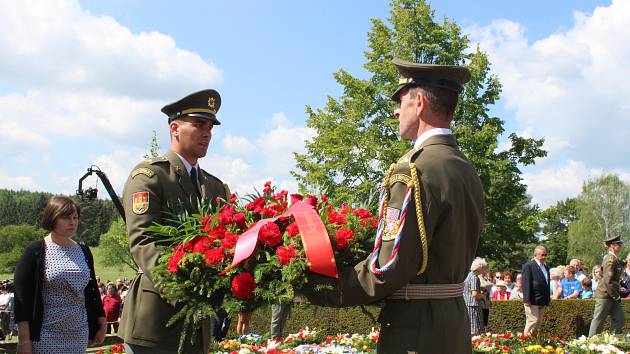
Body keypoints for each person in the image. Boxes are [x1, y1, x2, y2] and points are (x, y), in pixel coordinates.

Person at [302, 58, 485, 353]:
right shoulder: (464, 167)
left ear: (420, 102)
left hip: (415, 332)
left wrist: (315, 287)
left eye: (401, 100)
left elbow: (387, 267)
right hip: (453, 324)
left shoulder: (413, 170)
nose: (396, 111)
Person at [119, 89, 230, 354]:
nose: (207, 133)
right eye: (199, 125)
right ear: (175, 128)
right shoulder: (150, 176)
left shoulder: (214, 187)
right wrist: (185, 288)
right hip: (155, 321)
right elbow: (143, 242)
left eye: (210, 127)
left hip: (198, 324)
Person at [13, 196, 106, 354]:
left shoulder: (83, 250)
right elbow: (21, 298)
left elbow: (92, 290)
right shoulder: (35, 250)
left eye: (75, 217)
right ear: (52, 218)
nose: (72, 222)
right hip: (44, 334)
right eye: (66, 217)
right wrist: (24, 340)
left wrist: (102, 323)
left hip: (78, 333)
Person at [588, 235, 626, 336]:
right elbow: (608, 280)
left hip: (612, 295)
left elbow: (620, 264)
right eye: (618, 244)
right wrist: (616, 296)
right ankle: (590, 344)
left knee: (619, 318)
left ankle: (611, 340)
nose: (620, 246)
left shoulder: (614, 258)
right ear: (613, 246)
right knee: (598, 319)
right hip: (605, 295)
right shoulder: (610, 259)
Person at [521, 245, 550, 336]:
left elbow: (547, 284)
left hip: (542, 300)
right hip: (532, 300)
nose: (544, 257)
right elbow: (526, 283)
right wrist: (526, 299)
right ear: (535, 255)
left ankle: (534, 345)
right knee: (532, 321)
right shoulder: (528, 266)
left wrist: (547, 299)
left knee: (538, 323)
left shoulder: (546, 267)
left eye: (545, 255)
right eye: (542, 255)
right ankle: (525, 343)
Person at [464, 258, 487, 336]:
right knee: (475, 329)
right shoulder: (474, 277)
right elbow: (475, 294)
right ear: (479, 267)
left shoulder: (468, 275)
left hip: (467, 304)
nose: (484, 270)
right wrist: (483, 296)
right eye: (483, 268)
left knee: (469, 328)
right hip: (474, 305)